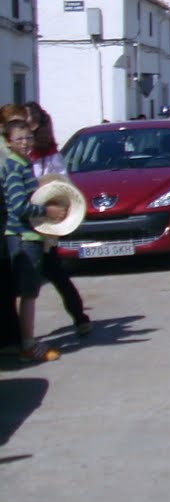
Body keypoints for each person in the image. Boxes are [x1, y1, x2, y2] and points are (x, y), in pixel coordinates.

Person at [2, 119, 70, 362]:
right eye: (19, 139)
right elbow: (19, 206)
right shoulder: (15, 167)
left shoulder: (23, 164)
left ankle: (26, 342)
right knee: (28, 293)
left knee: (29, 293)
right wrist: (47, 211)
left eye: (28, 138)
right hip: (23, 236)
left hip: (28, 235)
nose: (25, 143)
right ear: (9, 142)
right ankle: (28, 346)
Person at [25, 105, 90, 338]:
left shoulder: (50, 156)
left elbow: (63, 184)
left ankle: (79, 317)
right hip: (24, 218)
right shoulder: (17, 155)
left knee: (54, 272)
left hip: (43, 220)